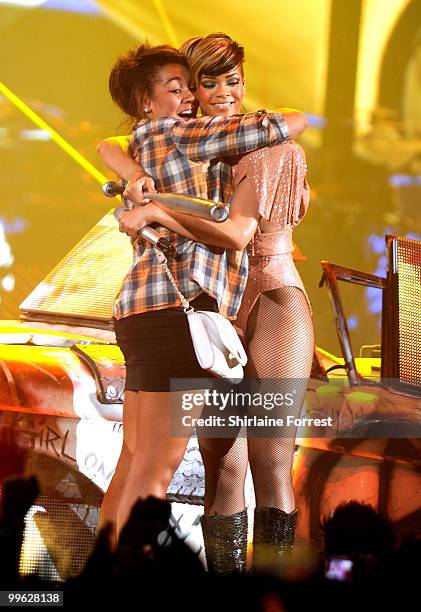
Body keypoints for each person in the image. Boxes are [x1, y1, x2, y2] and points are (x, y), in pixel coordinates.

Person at [104, 33, 314, 574]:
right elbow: (114, 143)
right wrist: (135, 180)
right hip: (209, 309)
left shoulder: (262, 147)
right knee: (221, 462)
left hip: (267, 299)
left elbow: (239, 233)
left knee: (268, 456)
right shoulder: (200, 141)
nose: (217, 93)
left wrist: (153, 210)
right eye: (204, 83)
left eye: (233, 81)